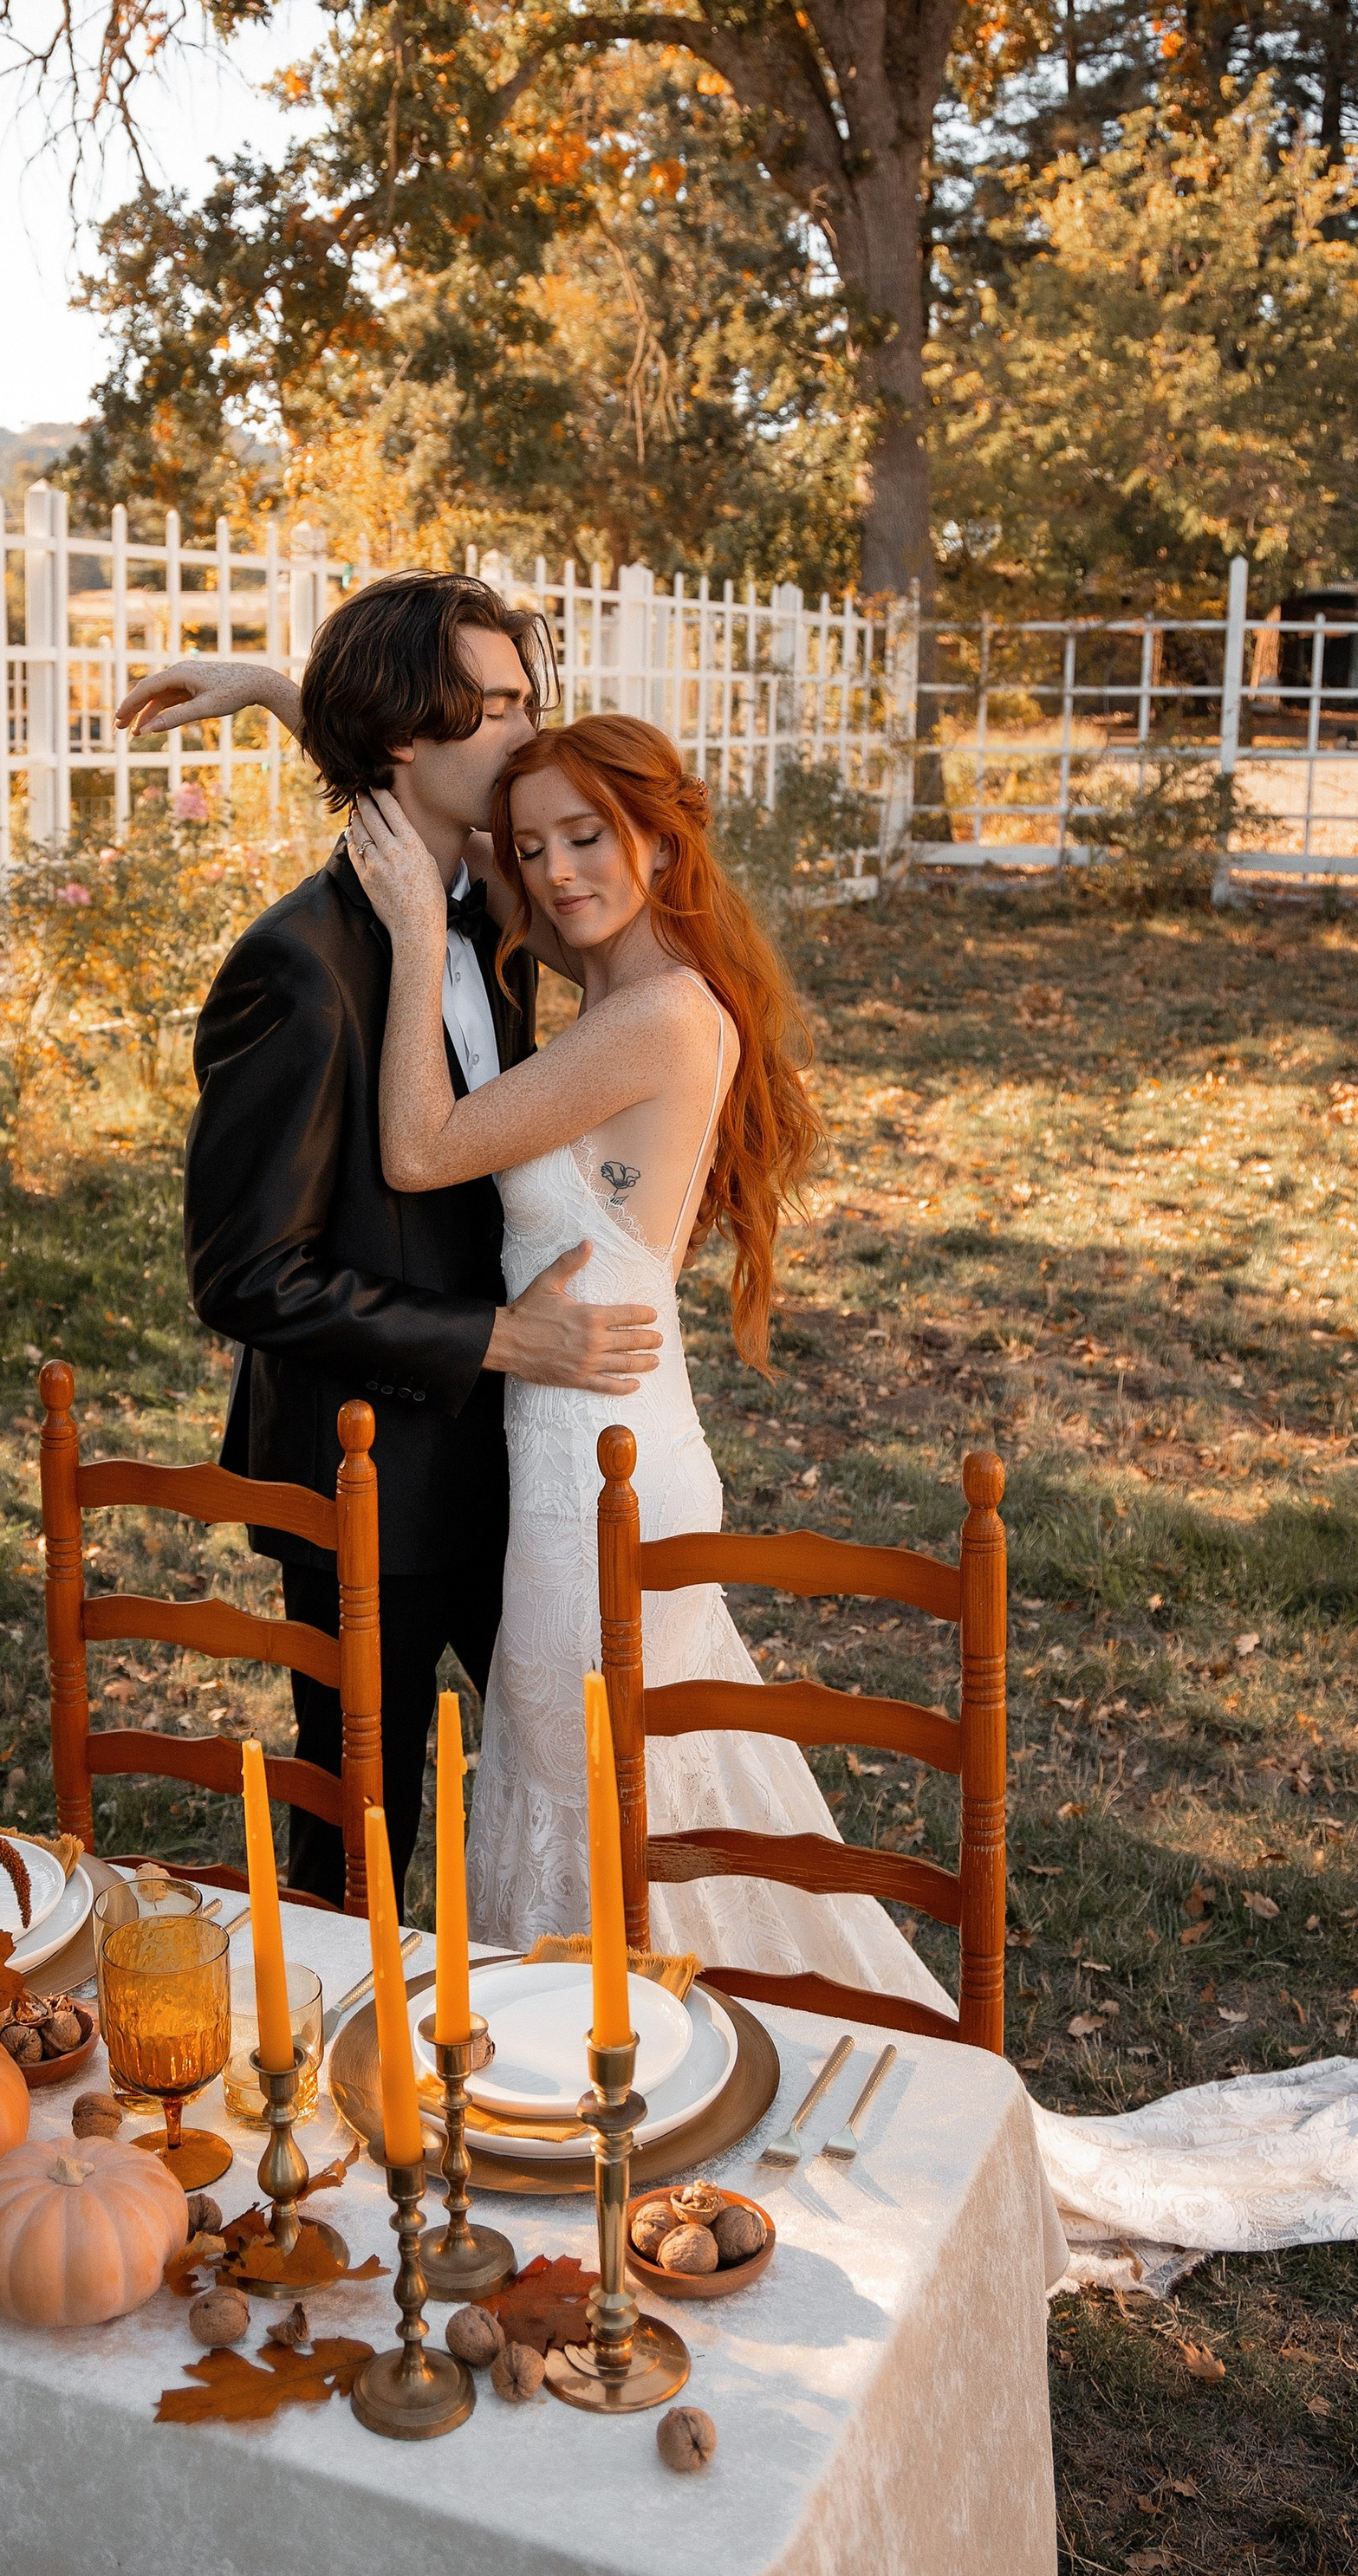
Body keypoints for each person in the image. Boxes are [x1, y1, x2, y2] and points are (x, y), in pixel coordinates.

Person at [341, 712, 948, 2002]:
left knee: (592, 1797)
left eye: (589, 837)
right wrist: (288, 696)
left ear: (662, 841)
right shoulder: (617, 966)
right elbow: (457, 824)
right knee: (619, 1787)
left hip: (596, 1475)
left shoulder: (657, 1015)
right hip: (590, 1444)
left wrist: (408, 942)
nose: (556, 873)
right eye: (536, 843)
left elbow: (417, 1149)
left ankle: (630, 2056)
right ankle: (657, 2039)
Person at [136, 578, 662, 1911]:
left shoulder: (486, 901)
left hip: (512, 1450)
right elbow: (246, 1272)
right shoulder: (300, 970)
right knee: (358, 1833)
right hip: (363, 1476)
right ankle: (326, 2084)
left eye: (524, 700)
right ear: (404, 744)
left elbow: (403, 764)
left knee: (583, 1774)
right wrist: (497, 1336)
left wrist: (273, 690)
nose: (520, 734)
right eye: (489, 710)